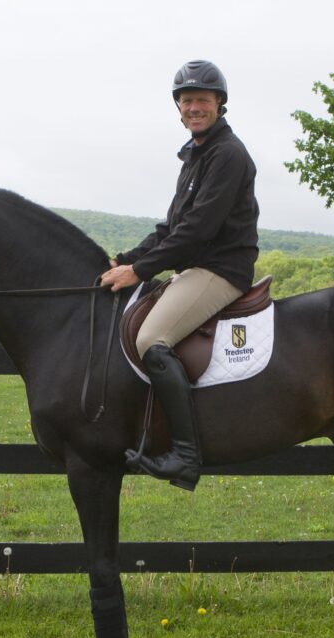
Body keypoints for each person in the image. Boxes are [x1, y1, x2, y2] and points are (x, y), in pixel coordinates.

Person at [100, 59, 259, 490]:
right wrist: (126, 260)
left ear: (219, 104)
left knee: (152, 340)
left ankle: (186, 457)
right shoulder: (195, 154)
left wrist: (141, 271)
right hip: (196, 265)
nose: (194, 108)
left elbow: (198, 231)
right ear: (179, 107)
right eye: (186, 101)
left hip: (220, 268)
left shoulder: (227, 154)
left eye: (202, 100)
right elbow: (172, 227)